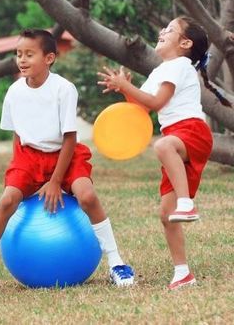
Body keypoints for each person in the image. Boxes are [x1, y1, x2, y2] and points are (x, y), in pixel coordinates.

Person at [0, 29, 135, 295]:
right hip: (29, 157)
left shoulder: (64, 89)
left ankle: (116, 263)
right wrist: (19, 173)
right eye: (19, 54)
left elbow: (70, 138)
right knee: (7, 200)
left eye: (30, 54)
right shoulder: (14, 91)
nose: (22, 59)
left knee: (86, 196)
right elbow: (18, 135)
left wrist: (54, 181)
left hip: (66, 153)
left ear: (49, 58)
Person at [97, 16, 231, 290]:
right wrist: (125, 89)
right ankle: (182, 273)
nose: (161, 31)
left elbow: (158, 102)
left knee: (162, 145)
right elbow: (143, 106)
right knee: (166, 213)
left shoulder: (180, 66)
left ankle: (187, 203)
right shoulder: (160, 71)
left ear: (185, 43)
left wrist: (126, 87)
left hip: (191, 131)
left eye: (169, 29)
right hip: (176, 136)